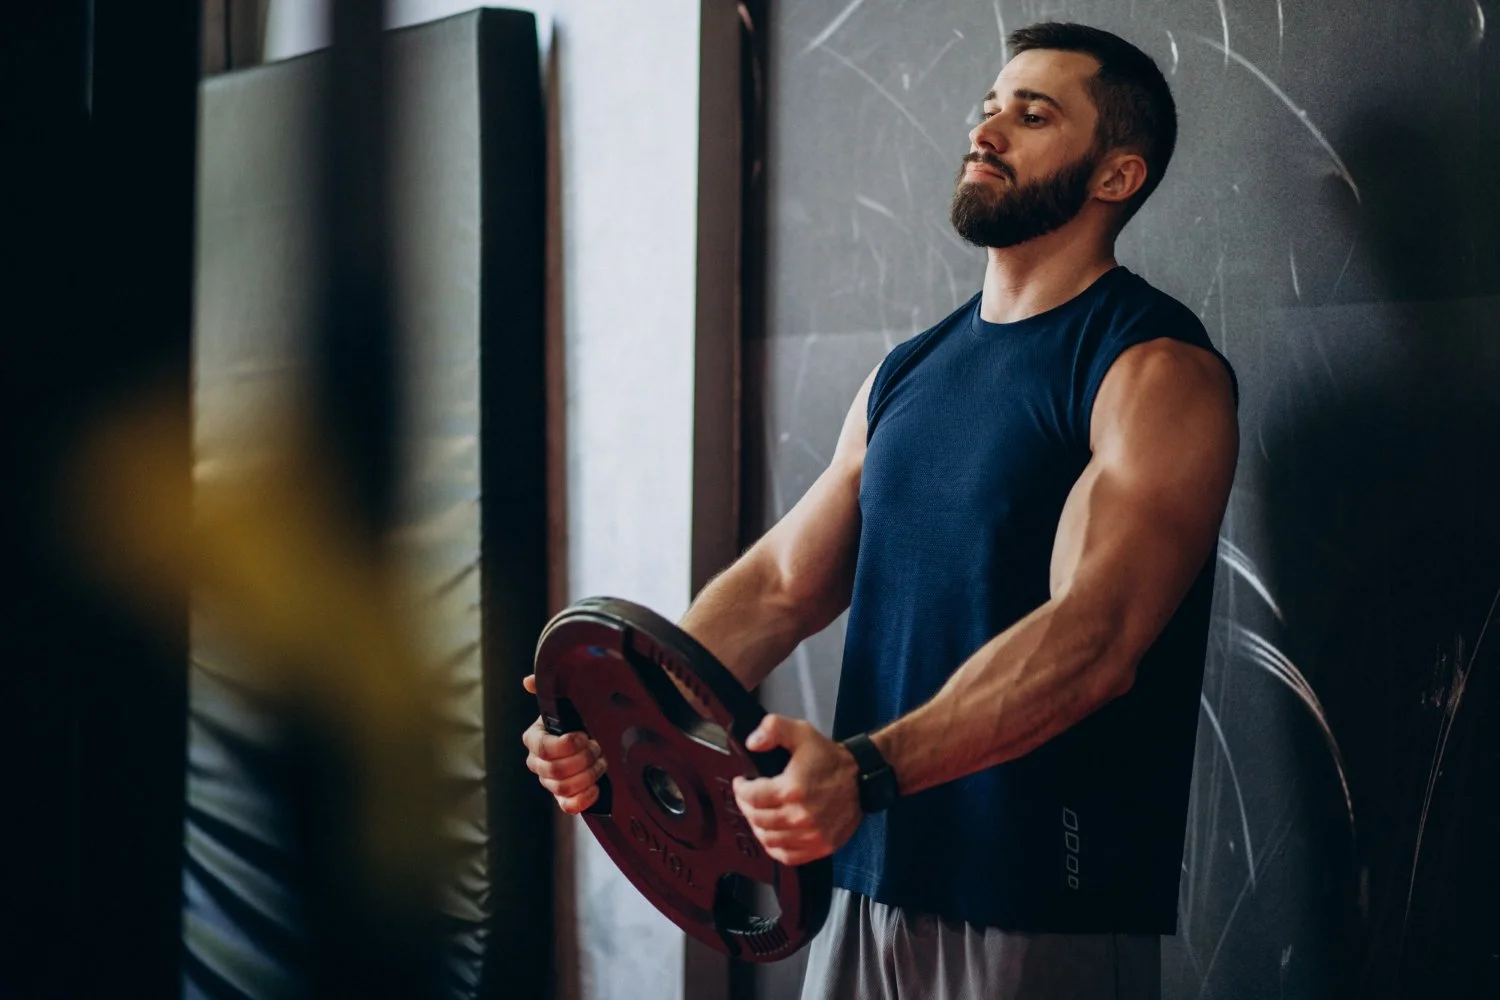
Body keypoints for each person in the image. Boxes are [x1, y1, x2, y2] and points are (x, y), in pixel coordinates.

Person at [523, 21, 1238, 1000]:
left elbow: (1098, 635)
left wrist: (864, 772)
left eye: (1034, 114)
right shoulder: (911, 373)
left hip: (1041, 904)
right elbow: (780, 586)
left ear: (1116, 176)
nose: (988, 129)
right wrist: (629, 719)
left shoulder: (1150, 368)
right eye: (990, 106)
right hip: (863, 884)